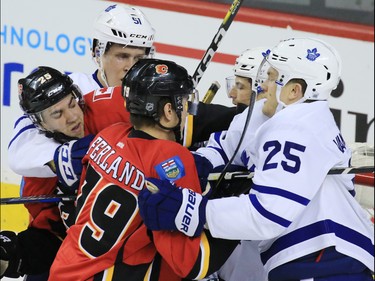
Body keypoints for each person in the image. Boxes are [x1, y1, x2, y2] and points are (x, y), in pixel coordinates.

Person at [137, 38, 374, 280]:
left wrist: (191, 210)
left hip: (324, 262)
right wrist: (187, 164)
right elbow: (227, 149)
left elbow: (267, 214)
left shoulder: (295, 129)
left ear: (294, 91)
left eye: (272, 78)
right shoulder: (287, 118)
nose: (263, 86)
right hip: (325, 258)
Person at [48, 58, 238, 281]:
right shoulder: (173, 159)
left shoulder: (106, 136)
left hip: (64, 269)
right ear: (168, 111)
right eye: (185, 102)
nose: (189, 110)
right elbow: (191, 262)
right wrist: (238, 201)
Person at [0, 65, 134, 280]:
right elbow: (50, 236)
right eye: (57, 113)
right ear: (40, 123)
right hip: (79, 250)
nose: (72, 117)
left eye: (72, 104)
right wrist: (13, 254)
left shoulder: (108, 109)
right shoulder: (39, 166)